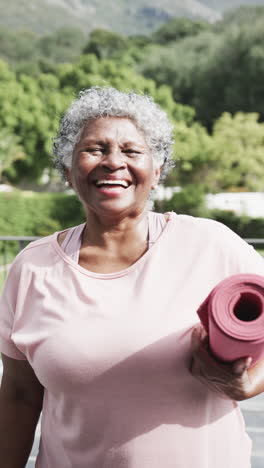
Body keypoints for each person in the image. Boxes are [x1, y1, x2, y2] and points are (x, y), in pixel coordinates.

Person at [0, 86, 264, 468]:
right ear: (68, 171)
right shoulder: (32, 269)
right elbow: (20, 396)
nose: (113, 162)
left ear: (156, 171)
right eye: (94, 149)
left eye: (131, 151)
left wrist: (249, 382)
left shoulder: (211, 244)